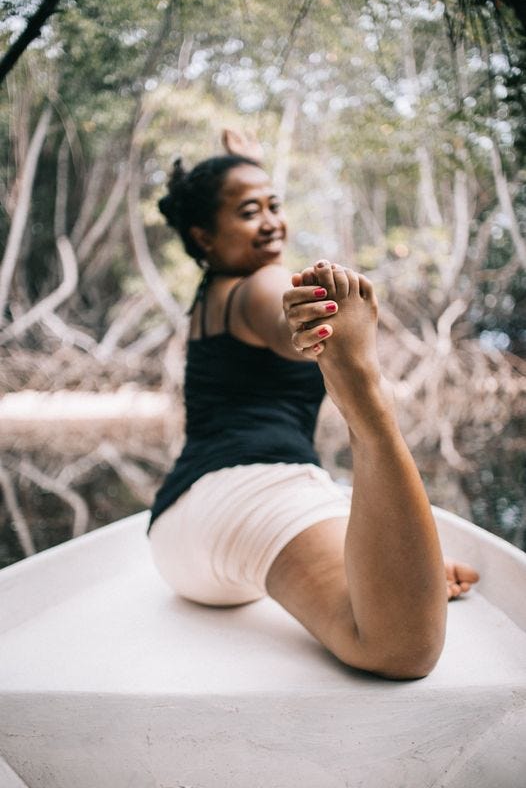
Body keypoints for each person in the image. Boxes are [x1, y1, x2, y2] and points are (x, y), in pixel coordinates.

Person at [148, 134, 479, 679]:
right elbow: (280, 317)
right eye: (249, 212)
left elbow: (261, 284)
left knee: (384, 551)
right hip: (251, 496)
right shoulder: (260, 284)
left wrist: (249, 163)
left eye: (275, 206)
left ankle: (383, 571)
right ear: (203, 235)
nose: (272, 221)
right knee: (400, 645)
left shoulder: (211, 295)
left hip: (180, 530)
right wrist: (311, 326)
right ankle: (366, 402)